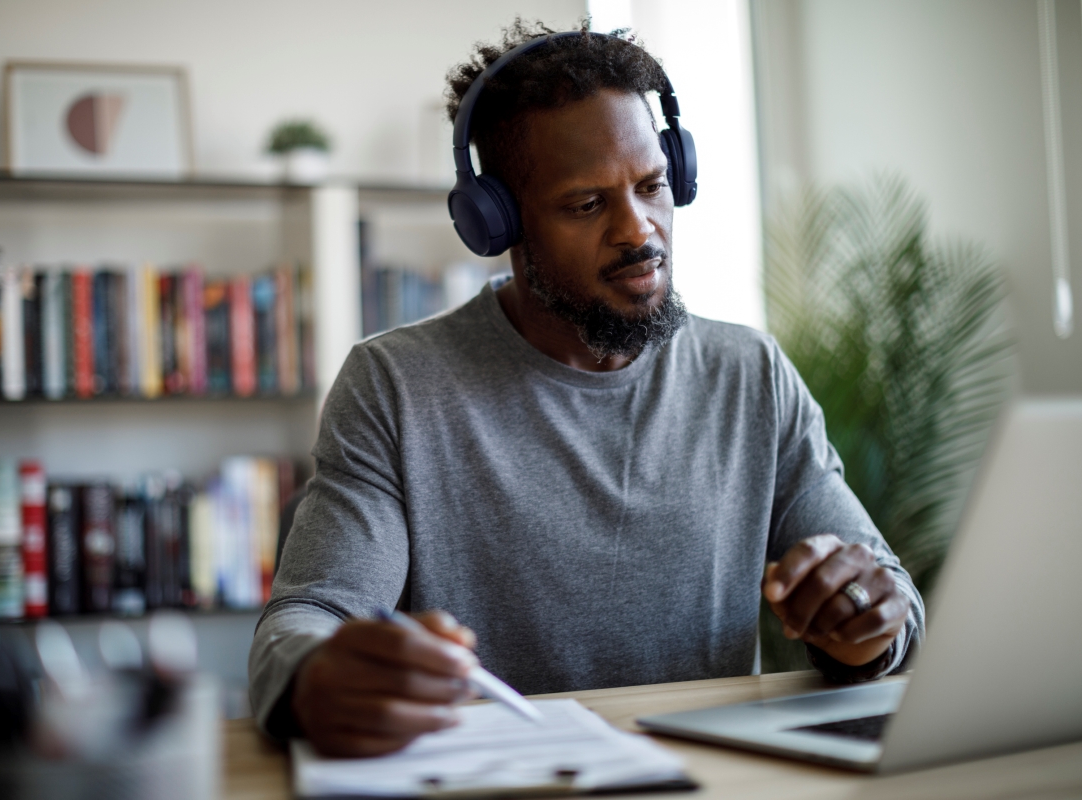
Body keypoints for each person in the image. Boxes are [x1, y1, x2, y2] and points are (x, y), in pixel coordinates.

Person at [249, 21, 924, 757]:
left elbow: (888, 598)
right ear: (497, 222)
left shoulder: (750, 375)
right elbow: (307, 616)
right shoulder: (398, 387)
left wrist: (867, 623)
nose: (641, 232)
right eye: (586, 204)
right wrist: (319, 673)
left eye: (653, 186)